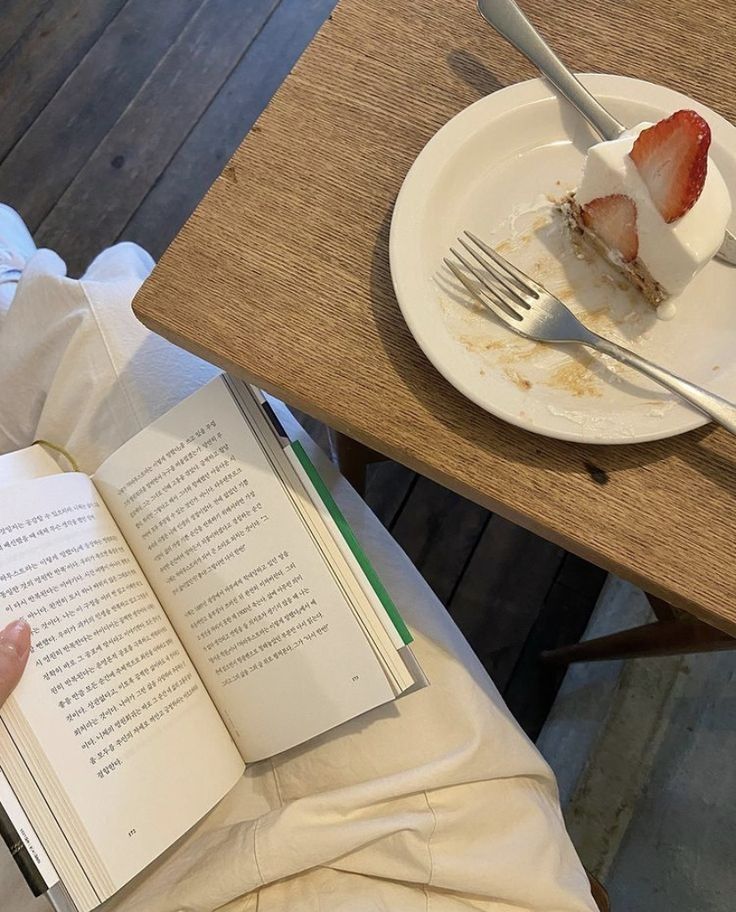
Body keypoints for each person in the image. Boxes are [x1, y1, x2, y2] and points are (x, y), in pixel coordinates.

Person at [0, 204, 598, 912]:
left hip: (123, 883)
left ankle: (19, 287)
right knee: (127, 340)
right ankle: (21, 285)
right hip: (447, 851)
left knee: (104, 335)